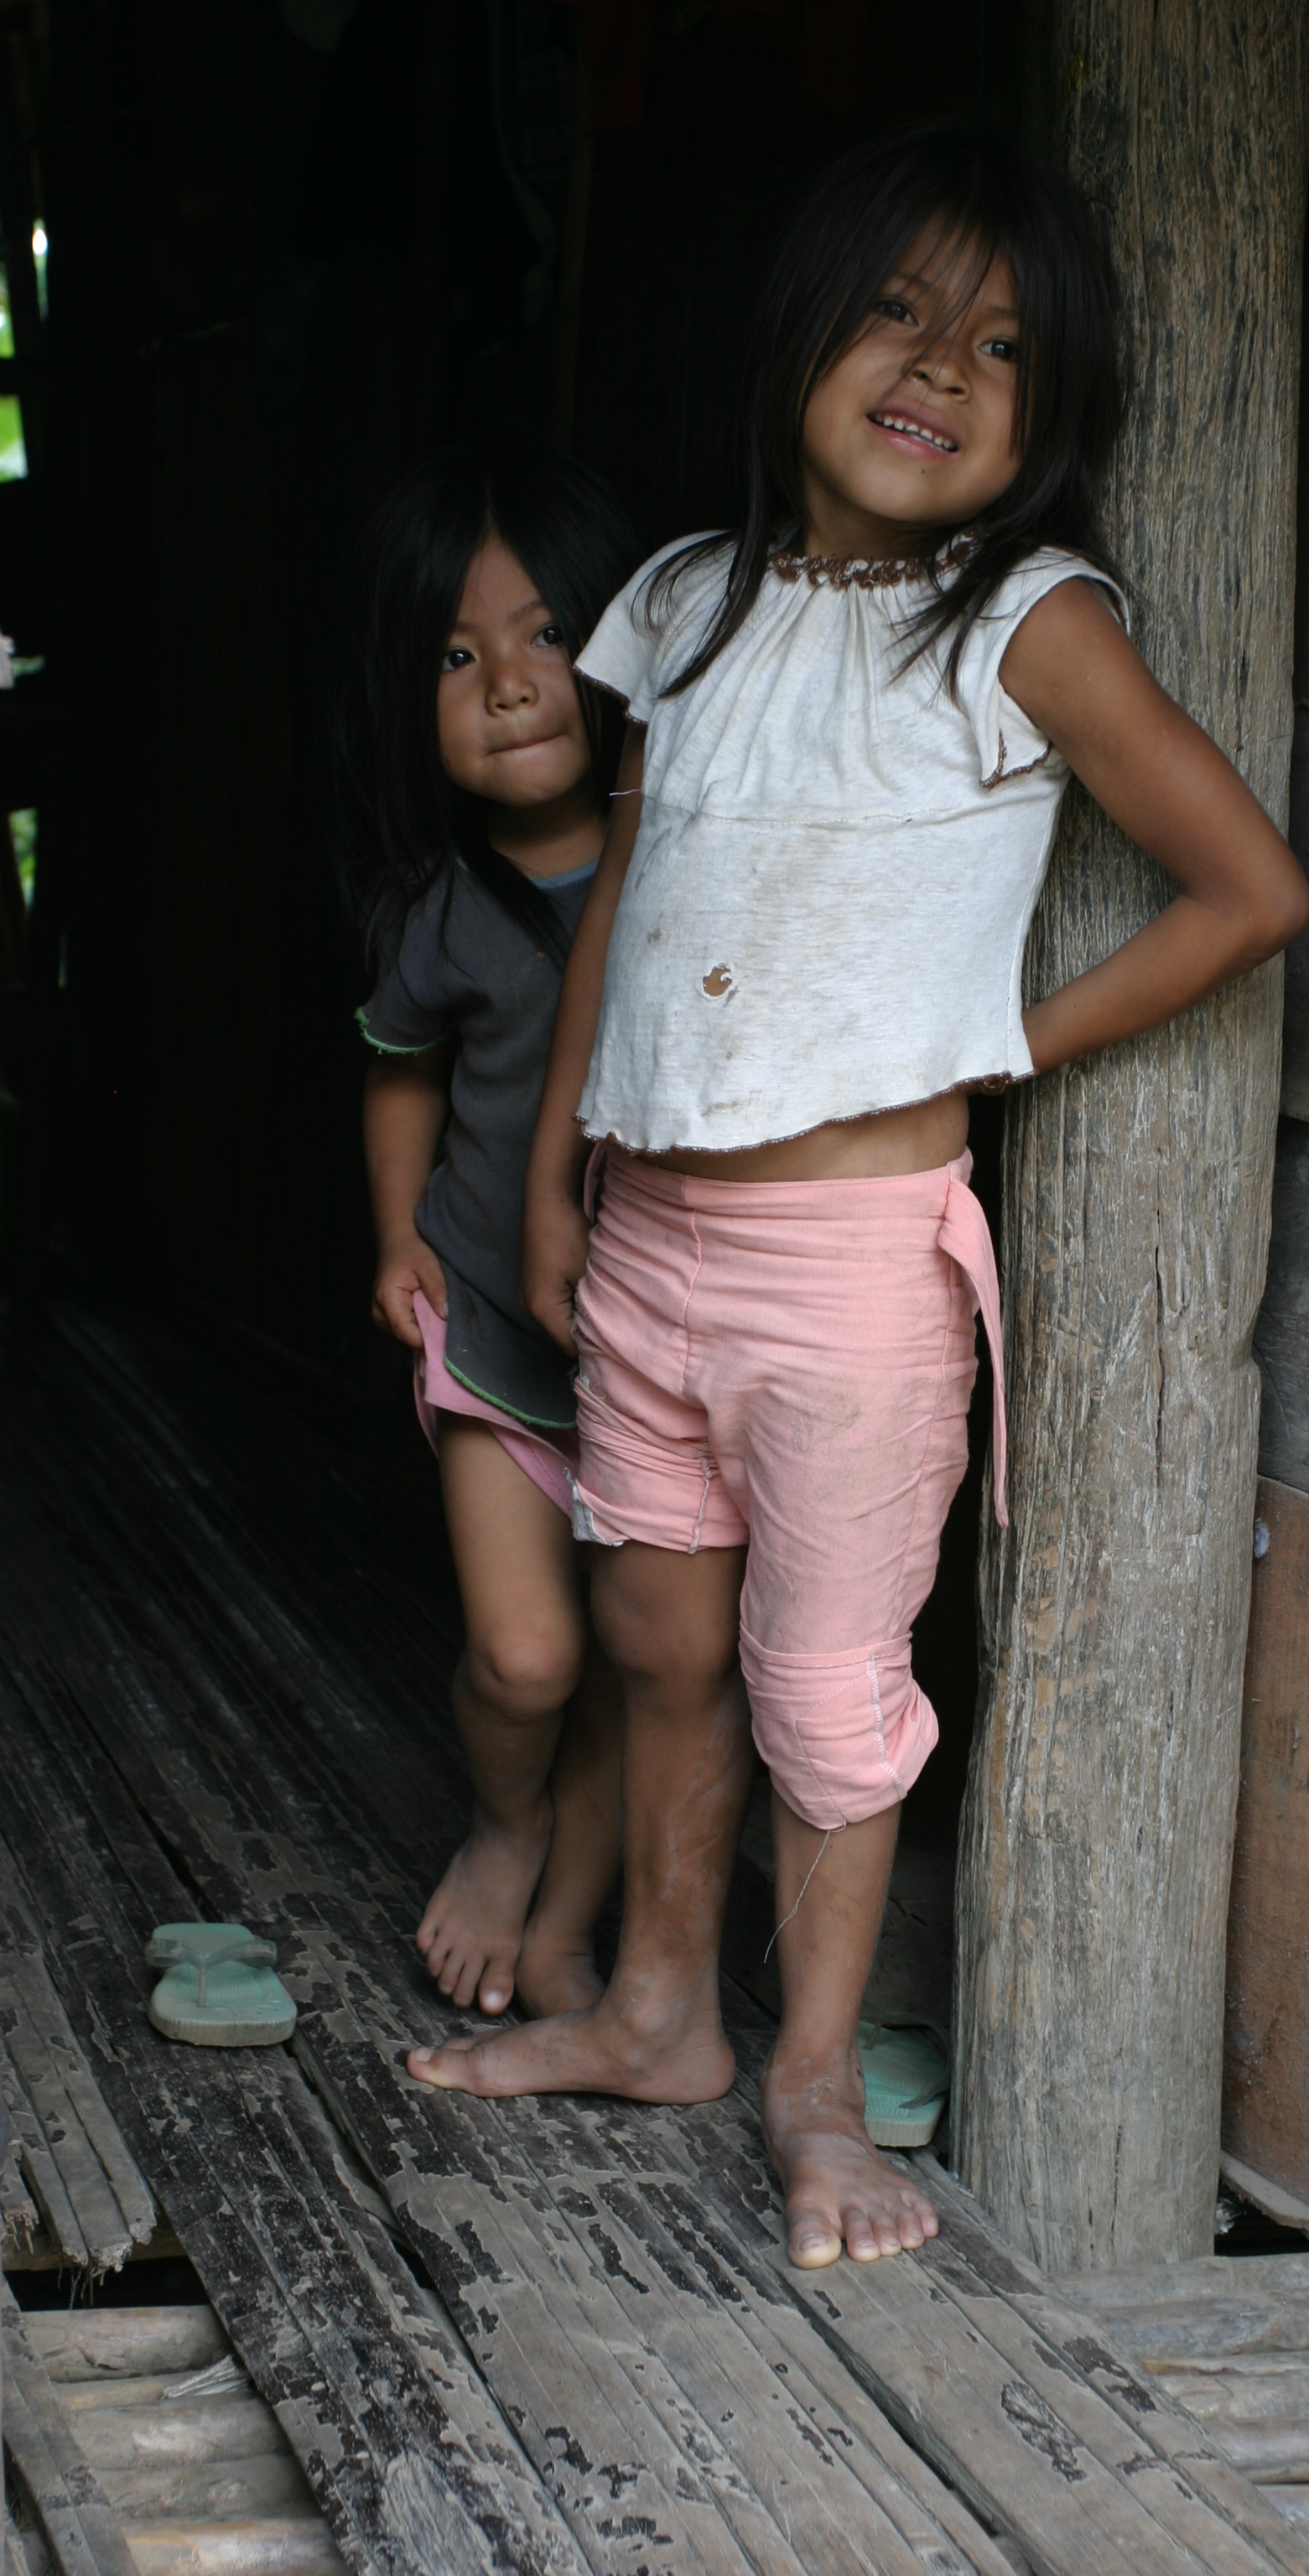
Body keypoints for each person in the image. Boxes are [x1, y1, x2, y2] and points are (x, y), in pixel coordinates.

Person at [406, 129, 1309, 2272]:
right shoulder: (688, 603)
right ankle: (654, 2011)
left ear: (1050, 409)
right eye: (896, 310)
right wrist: (554, 1169)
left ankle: (808, 2077)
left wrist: (1002, 1055)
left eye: (999, 342)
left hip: (844, 1276)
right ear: (799, 327)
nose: (938, 365)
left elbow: (1247, 889)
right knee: (651, 1636)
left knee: (825, 1685)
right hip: (646, 1244)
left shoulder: (1026, 623)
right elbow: (633, 892)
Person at [336, 441, 641, 2027]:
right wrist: (399, 1235)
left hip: (663, 1354)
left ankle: (571, 1918)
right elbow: (403, 1070)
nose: (511, 683)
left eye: (544, 635)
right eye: (459, 655)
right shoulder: (442, 908)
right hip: (500, 1347)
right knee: (529, 1660)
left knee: (634, 1661)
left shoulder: (696, 870)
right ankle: (506, 1823)